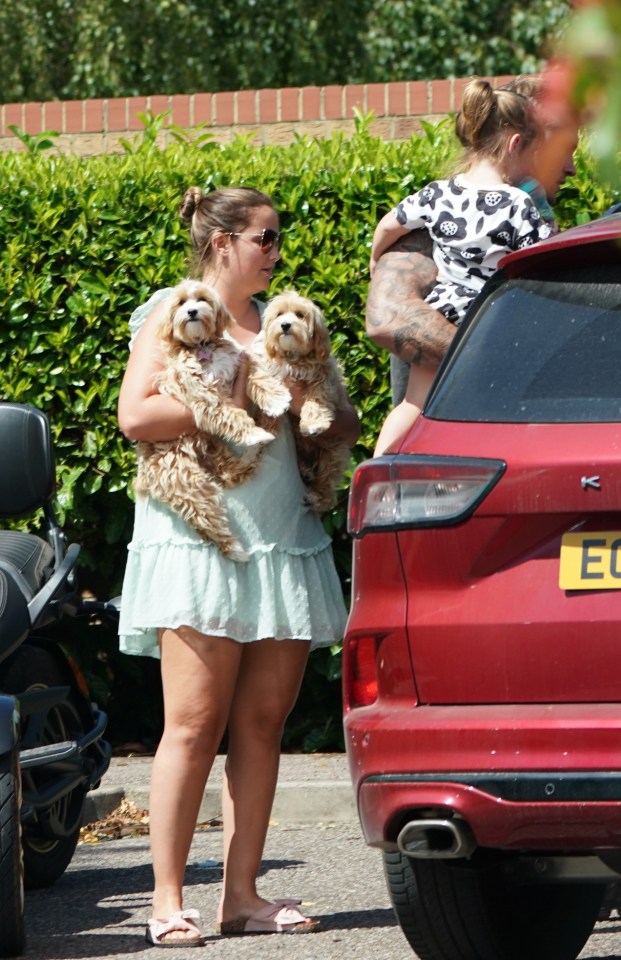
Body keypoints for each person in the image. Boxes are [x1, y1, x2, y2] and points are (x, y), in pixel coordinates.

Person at [117, 185, 360, 946]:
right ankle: (165, 899)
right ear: (221, 243)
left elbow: (341, 422)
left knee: (262, 722)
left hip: (281, 540)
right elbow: (135, 417)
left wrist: (310, 401)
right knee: (191, 725)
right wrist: (233, 397)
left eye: (276, 238)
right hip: (200, 542)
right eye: (264, 237)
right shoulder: (173, 311)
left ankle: (243, 896)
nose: (275, 250)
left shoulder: (289, 322)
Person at [371, 75, 578, 415]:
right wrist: (505, 363)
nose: (570, 168)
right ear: (520, 140)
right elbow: (386, 319)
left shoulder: (447, 198)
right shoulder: (495, 206)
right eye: (558, 147)